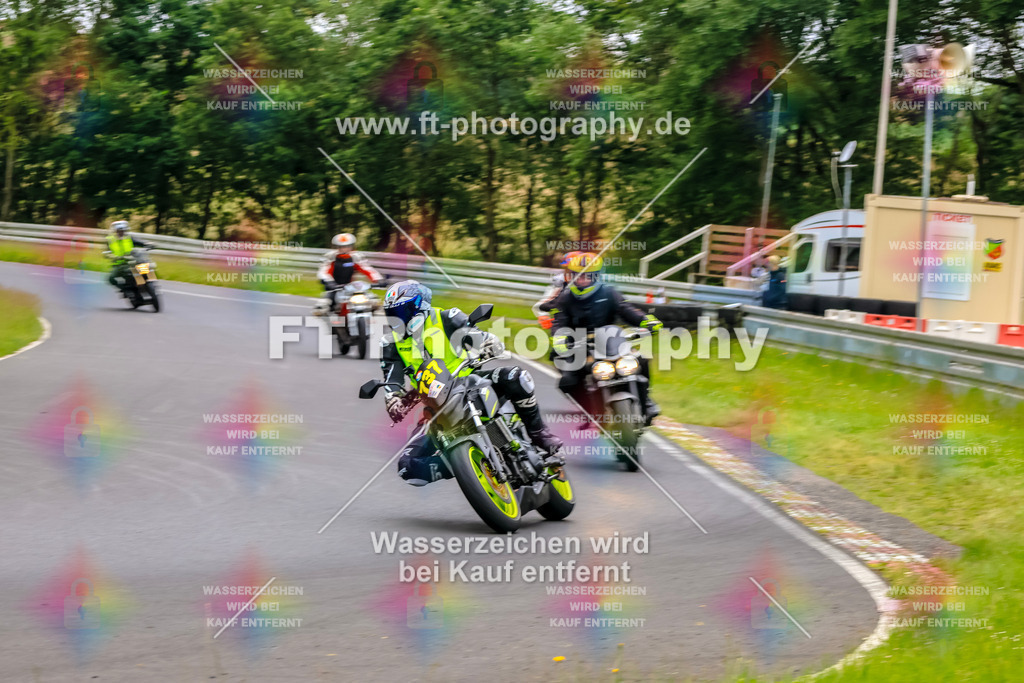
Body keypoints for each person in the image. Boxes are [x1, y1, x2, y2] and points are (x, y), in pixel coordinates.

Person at [379, 280, 564, 486]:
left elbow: (471, 334)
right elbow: (391, 379)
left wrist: (486, 342)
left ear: (420, 306)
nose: (398, 319)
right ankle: (461, 465)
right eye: (393, 314)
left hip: (470, 383)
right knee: (407, 466)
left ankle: (538, 433)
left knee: (516, 376)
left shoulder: (446, 317)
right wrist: (393, 399)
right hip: (434, 404)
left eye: (403, 312)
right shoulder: (390, 343)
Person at [549, 253, 663, 422]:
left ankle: (646, 402)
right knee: (567, 381)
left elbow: (625, 309)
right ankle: (591, 411)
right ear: (570, 276)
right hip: (579, 345)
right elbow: (559, 321)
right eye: (577, 275)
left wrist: (646, 321)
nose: (581, 280)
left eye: (587, 276)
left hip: (611, 340)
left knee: (641, 359)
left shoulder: (609, 292)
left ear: (596, 276)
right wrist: (560, 338)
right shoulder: (565, 298)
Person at [314, 233, 382, 315]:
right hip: (335, 287)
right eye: (341, 247)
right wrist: (328, 281)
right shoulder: (331, 257)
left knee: (374, 301)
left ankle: (373, 319)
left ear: (351, 247)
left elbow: (367, 269)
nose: (344, 249)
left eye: (347, 246)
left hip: (352, 287)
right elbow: (324, 271)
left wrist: (379, 279)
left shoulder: (355, 257)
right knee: (322, 305)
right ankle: (327, 323)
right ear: (337, 247)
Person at [104, 220, 150, 288]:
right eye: (119, 231)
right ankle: (125, 289)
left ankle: (149, 283)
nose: (121, 232)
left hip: (132, 261)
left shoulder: (129, 237)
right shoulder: (110, 240)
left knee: (146, 269)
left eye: (122, 231)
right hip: (119, 264)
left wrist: (147, 244)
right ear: (115, 231)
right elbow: (106, 253)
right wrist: (114, 256)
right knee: (111, 279)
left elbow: (139, 242)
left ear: (125, 230)